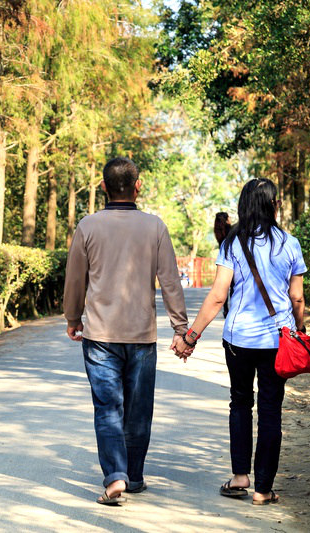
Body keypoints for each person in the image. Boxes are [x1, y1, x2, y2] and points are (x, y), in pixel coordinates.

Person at [63, 156, 192, 505]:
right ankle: (133, 476)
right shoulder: (155, 227)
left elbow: (75, 278)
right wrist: (180, 328)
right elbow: (170, 281)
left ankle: (114, 477)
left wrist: (73, 318)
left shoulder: (88, 226)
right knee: (137, 410)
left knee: (107, 407)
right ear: (138, 186)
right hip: (141, 336)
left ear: (104, 187)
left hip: (100, 335)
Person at [179, 178, 306, 505]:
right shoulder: (289, 244)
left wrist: (190, 337)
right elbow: (297, 298)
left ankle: (239, 478)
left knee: (240, 403)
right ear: (274, 205)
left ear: (244, 205)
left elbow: (218, 296)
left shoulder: (233, 244)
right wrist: (299, 330)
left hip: (238, 340)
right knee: (270, 411)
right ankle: (263, 490)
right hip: (278, 341)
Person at [214, 212, 232, 317]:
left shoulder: (218, 231)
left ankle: (225, 309)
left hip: (222, 257)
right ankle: (232, 307)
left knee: (224, 285)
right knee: (233, 287)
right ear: (226, 219)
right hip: (231, 256)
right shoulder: (231, 230)